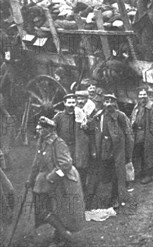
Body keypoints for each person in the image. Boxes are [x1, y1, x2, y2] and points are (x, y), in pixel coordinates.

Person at [26, 116, 85, 245]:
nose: (38, 130)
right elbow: (36, 163)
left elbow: (65, 164)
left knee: (60, 210)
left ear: (49, 130)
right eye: (38, 128)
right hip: (48, 181)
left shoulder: (58, 143)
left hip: (63, 181)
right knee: (45, 209)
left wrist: (51, 177)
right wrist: (30, 179)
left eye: (41, 129)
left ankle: (63, 236)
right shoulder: (41, 142)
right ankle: (61, 233)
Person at [89, 94, 133, 209]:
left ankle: (116, 198)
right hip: (103, 149)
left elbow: (128, 134)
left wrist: (128, 153)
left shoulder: (120, 116)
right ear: (103, 103)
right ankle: (104, 198)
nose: (108, 104)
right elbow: (93, 129)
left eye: (111, 101)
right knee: (104, 173)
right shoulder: (99, 115)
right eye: (106, 101)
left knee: (117, 174)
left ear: (115, 103)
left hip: (116, 149)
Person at [54, 93, 94, 195]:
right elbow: (54, 131)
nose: (71, 105)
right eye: (69, 103)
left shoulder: (81, 115)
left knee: (80, 170)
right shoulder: (59, 117)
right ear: (64, 103)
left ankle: (81, 193)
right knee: (64, 169)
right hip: (64, 148)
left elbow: (90, 129)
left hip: (78, 148)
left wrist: (87, 125)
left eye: (73, 103)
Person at [130, 86, 153, 184]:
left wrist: (151, 133)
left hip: (146, 133)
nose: (142, 96)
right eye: (140, 94)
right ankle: (142, 172)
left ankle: (149, 175)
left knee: (148, 154)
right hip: (137, 133)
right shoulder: (137, 106)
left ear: (147, 96)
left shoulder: (151, 106)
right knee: (138, 153)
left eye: (144, 94)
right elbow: (133, 117)